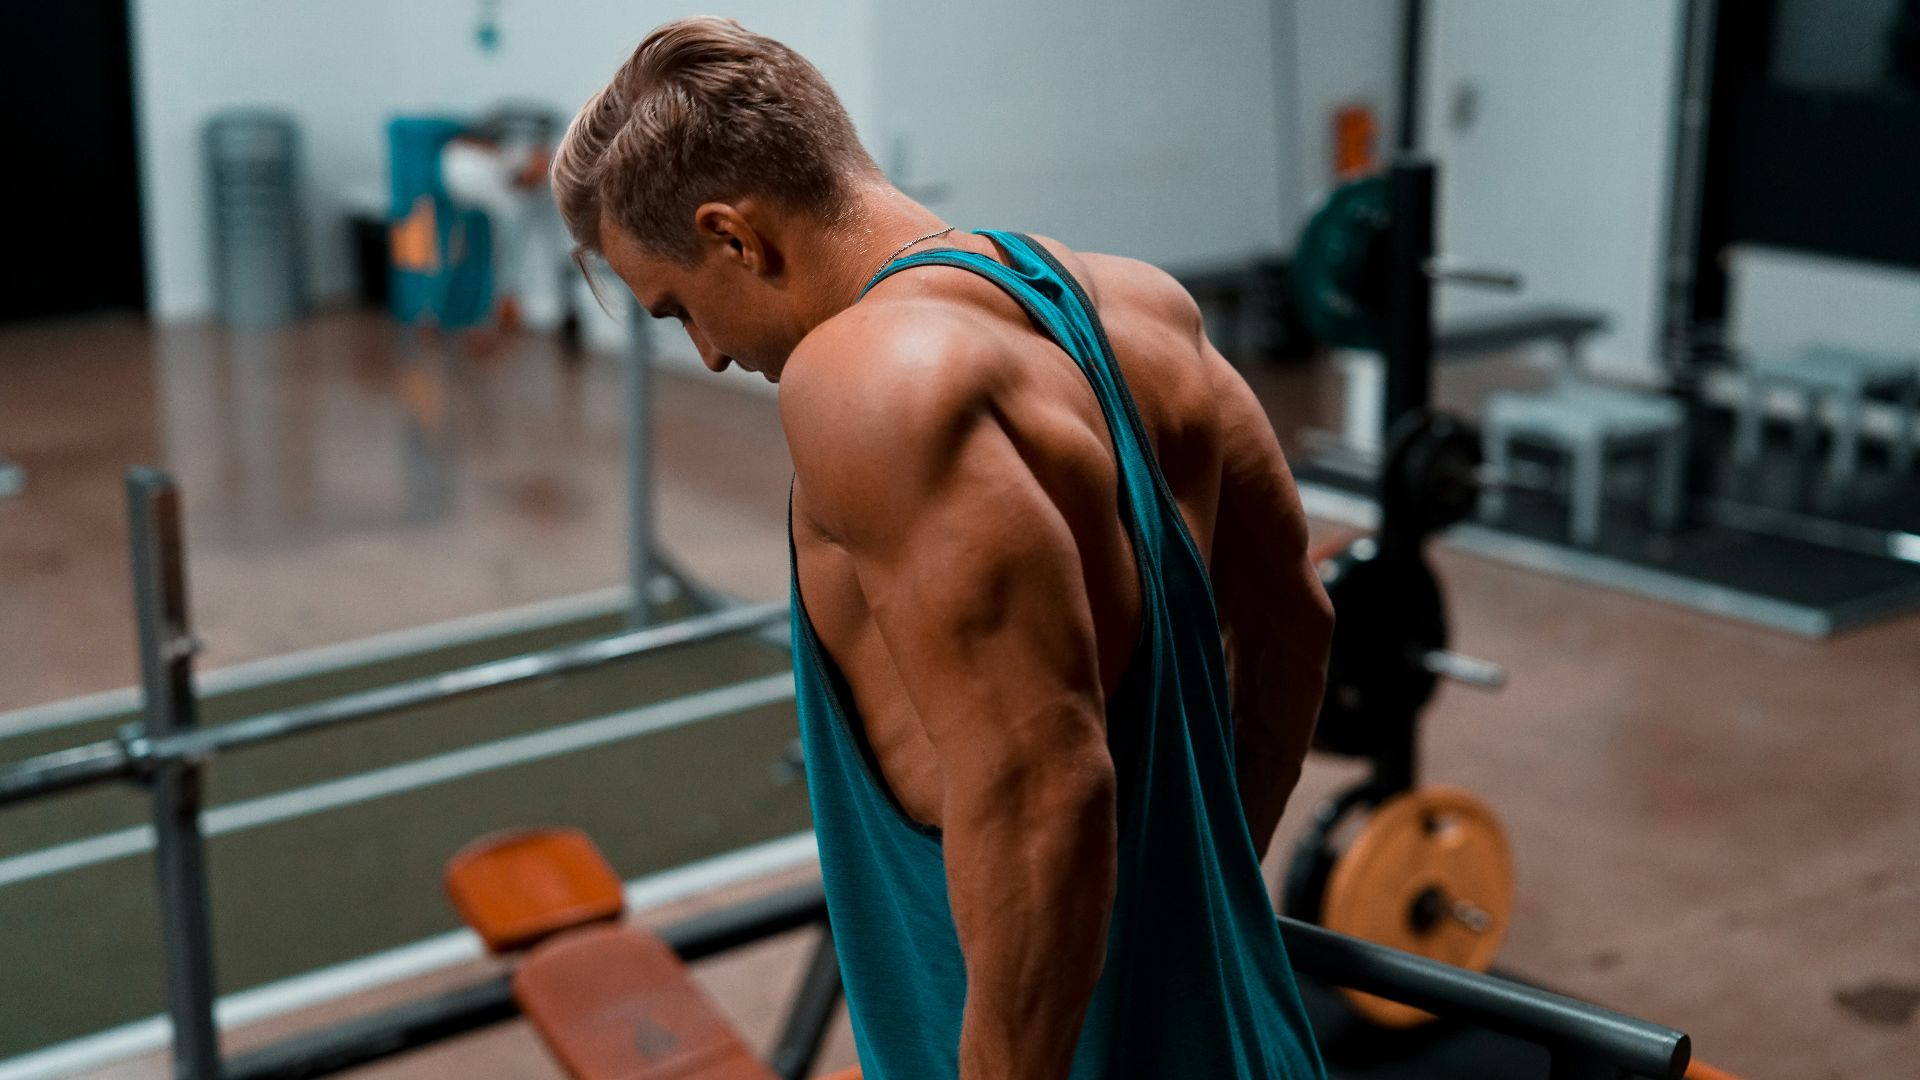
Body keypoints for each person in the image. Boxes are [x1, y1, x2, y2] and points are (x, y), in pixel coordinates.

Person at [552, 17, 1332, 1080]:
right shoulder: (1145, 308)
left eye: (682, 306)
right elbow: (1294, 617)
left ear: (736, 234)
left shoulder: (864, 379)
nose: (712, 355)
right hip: (1252, 1036)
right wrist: (1206, 890)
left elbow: (1044, 788)